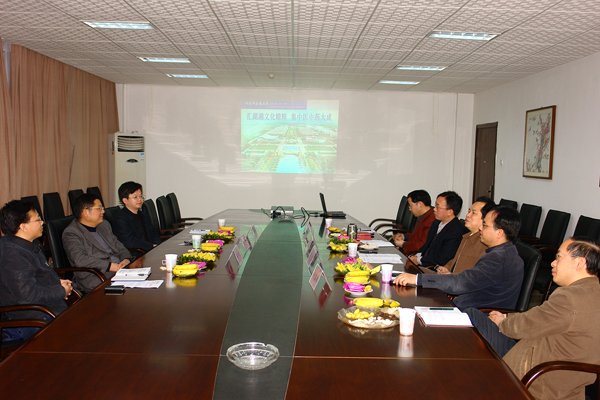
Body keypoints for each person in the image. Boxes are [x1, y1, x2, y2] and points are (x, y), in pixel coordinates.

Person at [466, 238, 600, 400]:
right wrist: (507, 317)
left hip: (536, 378)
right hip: (556, 371)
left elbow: (526, 326)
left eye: (559, 257)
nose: (553, 263)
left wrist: (502, 322)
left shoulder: (571, 297)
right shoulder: (592, 291)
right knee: (475, 319)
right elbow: (541, 318)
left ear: (579, 263)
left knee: (472, 318)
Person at [394, 205, 524, 310]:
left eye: (484, 225)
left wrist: (417, 279)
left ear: (499, 233)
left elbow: (460, 283)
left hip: (474, 314)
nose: (480, 228)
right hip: (469, 307)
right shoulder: (508, 252)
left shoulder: (496, 259)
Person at [0, 200, 72, 341]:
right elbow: (27, 296)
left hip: (48, 308)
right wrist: (60, 291)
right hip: (34, 318)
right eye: (38, 219)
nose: (42, 222)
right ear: (23, 226)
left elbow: (39, 275)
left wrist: (58, 282)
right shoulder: (13, 254)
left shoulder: (28, 243)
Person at [63, 193, 140, 294]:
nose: (103, 211)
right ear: (85, 212)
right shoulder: (72, 233)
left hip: (120, 272)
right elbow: (80, 259)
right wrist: (110, 266)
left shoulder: (104, 225)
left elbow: (119, 246)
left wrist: (126, 259)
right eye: (99, 208)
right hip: (97, 277)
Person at [436, 197, 495, 275]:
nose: (468, 215)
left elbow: (476, 273)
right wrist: (445, 268)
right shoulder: (467, 237)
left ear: (485, 218)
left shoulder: (485, 242)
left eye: (473, 213)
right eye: (469, 211)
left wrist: (451, 276)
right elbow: (456, 260)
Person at [408, 191, 467, 268]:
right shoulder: (436, 222)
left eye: (438, 207)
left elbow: (442, 259)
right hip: (424, 262)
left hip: (433, 269)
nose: (434, 209)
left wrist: (419, 260)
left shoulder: (456, 231)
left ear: (449, 212)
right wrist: (417, 256)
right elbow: (427, 245)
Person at [112, 181, 161, 257]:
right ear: (125, 200)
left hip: (151, 252)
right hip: (136, 255)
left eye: (141, 196)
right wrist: (151, 246)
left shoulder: (143, 215)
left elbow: (154, 234)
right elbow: (130, 242)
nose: (139, 199)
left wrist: (159, 245)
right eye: (135, 197)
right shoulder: (120, 219)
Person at [392, 190, 435, 255]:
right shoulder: (421, 216)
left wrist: (403, 244)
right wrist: (404, 236)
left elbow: (422, 245)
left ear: (420, 204)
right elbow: (416, 236)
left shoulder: (431, 220)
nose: (409, 209)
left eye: (411, 206)